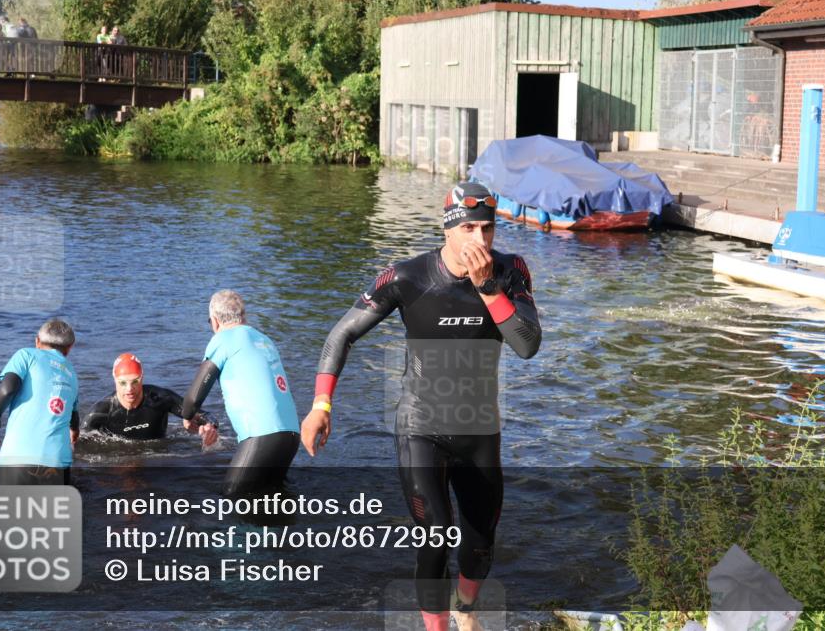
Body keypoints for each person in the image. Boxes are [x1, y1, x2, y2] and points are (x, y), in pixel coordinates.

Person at [300, 182, 541, 631]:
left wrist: (487, 287)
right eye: (468, 227)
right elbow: (341, 334)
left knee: (480, 544)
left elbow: (527, 345)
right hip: (421, 426)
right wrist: (321, 404)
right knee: (434, 535)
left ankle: (464, 613)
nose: (479, 239)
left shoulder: (509, 271)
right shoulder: (406, 277)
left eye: (487, 228)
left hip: (478, 428)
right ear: (447, 228)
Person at [182, 290, 300, 496]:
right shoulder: (265, 339)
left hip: (261, 436)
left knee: (233, 500)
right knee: (271, 501)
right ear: (244, 317)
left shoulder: (223, 339)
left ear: (215, 322)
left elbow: (193, 398)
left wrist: (188, 416)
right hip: (290, 436)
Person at [0, 319, 80, 485]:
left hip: (18, 459)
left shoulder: (26, 355)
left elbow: (7, 388)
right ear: (70, 347)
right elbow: (74, 418)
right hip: (58, 463)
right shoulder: (72, 373)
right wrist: (73, 432)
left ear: (37, 341)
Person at [85, 352, 219, 445]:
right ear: (114, 380)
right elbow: (77, 442)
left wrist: (210, 428)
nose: (129, 388)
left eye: (135, 381)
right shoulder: (101, 411)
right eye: (123, 383)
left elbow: (207, 415)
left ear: (142, 378)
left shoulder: (160, 398)